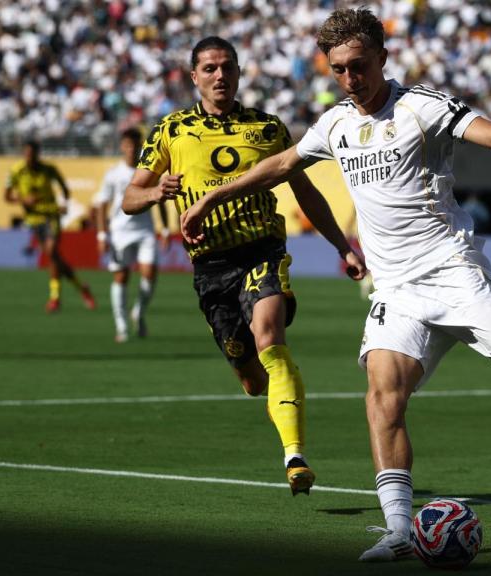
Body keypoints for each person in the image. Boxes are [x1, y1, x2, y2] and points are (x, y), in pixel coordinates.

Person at [179, 9, 491, 561]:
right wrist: (210, 197)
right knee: (382, 397)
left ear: (382, 58)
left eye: (358, 66)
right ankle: (398, 530)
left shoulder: (422, 106)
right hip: (396, 290)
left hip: (455, 272)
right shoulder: (336, 123)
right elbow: (281, 165)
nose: (350, 79)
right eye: (338, 70)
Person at [122, 36, 367, 495]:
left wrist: (343, 246)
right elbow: (129, 198)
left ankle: (295, 457)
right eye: (210, 68)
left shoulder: (268, 129)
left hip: (262, 252)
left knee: (270, 336)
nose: (220, 76)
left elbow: (307, 193)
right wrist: (157, 192)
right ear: (194, 76)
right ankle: (260, 382)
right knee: (253, 379)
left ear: (238, 73)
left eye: (227, 67)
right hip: (210, 267)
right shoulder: (170, 131)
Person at [94, 128, 170, 342]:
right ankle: (122, 326)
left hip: (145, 229)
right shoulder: (113, 174)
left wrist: (164, 229)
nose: (131, 149)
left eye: (135, 146)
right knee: (121, 276)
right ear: (121, 147)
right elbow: (101, 205)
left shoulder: (148, 172)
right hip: (120, 231)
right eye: (127, 145)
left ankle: (139, 311)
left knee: (150, 273)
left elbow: (159, 199)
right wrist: (101, 235)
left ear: (141, 147)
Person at [5, 140, 96, 313]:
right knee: (55, 258)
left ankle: (55, 298)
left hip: (51, 216)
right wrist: (23, 200)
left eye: (32, 155)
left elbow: (65, 190)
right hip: (33, 219)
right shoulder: (16, 171)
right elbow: (7, 196)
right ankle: (81, 287)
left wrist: (63, 204)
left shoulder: (49, 169)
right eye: (27, 155)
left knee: (52, 251)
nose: (30, 158)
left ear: (38, 154)